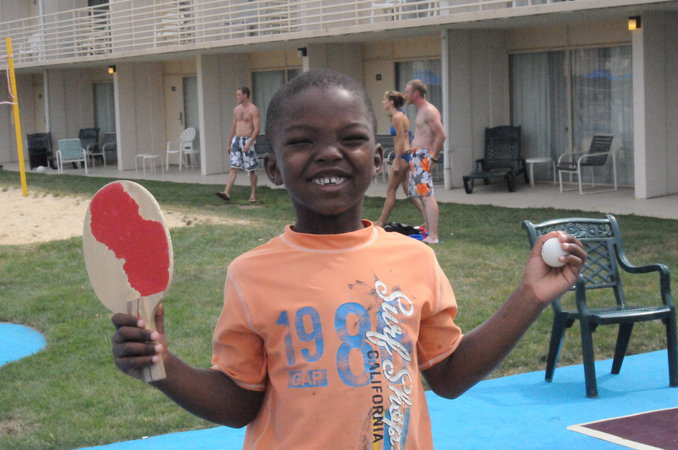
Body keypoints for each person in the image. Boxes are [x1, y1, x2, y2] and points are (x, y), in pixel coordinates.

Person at [111, 69, 586, 449]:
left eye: (351, 138)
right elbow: (239, 404)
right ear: (273, 167)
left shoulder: (414, 259)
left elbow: (449, 374)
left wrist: (530, 295)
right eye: (302, 142)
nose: (329, 153)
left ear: (376, 159)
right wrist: (163, 365)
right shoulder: (251, 274)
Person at [404, 79, 445, 244]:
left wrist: (433, 157)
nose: (405, 95)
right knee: (421, 195)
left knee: (427, 196)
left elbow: (441, 135)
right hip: (417, 155)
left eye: (407, 92)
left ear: (416, 93)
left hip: (423, 156)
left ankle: (433, 236)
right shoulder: (421, 110)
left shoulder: (429, 111)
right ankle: (428, 232)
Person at [374, 90, 413, 228]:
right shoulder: (402, 115)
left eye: (385, 99)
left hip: (402, 156)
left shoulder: (396, 117)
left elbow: (401, 141)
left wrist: (396, 161)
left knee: (390, 191)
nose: (383, 102)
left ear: (391, 102)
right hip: (407, 155)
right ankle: (428, 219)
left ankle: (381, 222)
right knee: (408, 190)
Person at [216, 86, 260, 203]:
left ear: (245, 95)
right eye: (237, 94)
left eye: (239, 95)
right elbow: (234, 126)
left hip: (248, 139)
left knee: (251, 169)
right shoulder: (236, 109)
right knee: (233, 167)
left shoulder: (253, 109)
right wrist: (229, 142)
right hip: (237, 140)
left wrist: (249, 143)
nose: (237, 97)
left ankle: (253, 194)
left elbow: (257, 129)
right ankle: (226, 192)